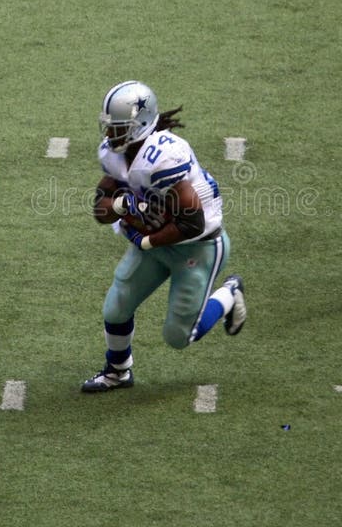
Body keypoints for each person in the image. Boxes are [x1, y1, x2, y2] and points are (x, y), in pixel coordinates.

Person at [81, 80, 246, 392]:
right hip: (158, 241)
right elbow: (100, 209)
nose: (108, 134)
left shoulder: (164, 157)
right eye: (108, 126)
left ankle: (229, 294)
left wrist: (143, 239)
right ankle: (118, 371)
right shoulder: (115, 155)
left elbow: (192, 222)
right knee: (115, 308)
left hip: (198, 246)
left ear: (139, 125)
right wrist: (119, 203)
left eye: (117, 127)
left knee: (179, 336)